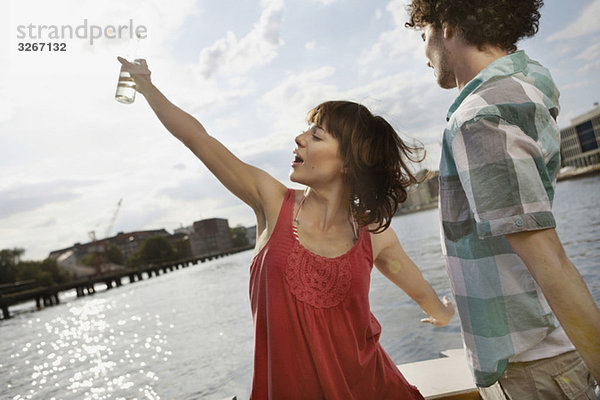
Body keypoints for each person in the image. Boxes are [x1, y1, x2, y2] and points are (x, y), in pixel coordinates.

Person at [117, 56, 454, 399]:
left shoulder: (373, 236)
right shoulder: (271, 200)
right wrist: (147, 88)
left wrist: (442, 315)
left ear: (348, 163)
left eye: (316, 136)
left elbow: (419, 290)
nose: (299, 138)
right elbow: (197, 138)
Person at [404, 0, 600, 399]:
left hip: (536, 368)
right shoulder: (523, 85)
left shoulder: (479, 119)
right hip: (544, 355)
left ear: (447, 25)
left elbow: (551, 262)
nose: (423, 55)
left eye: (423, 36)